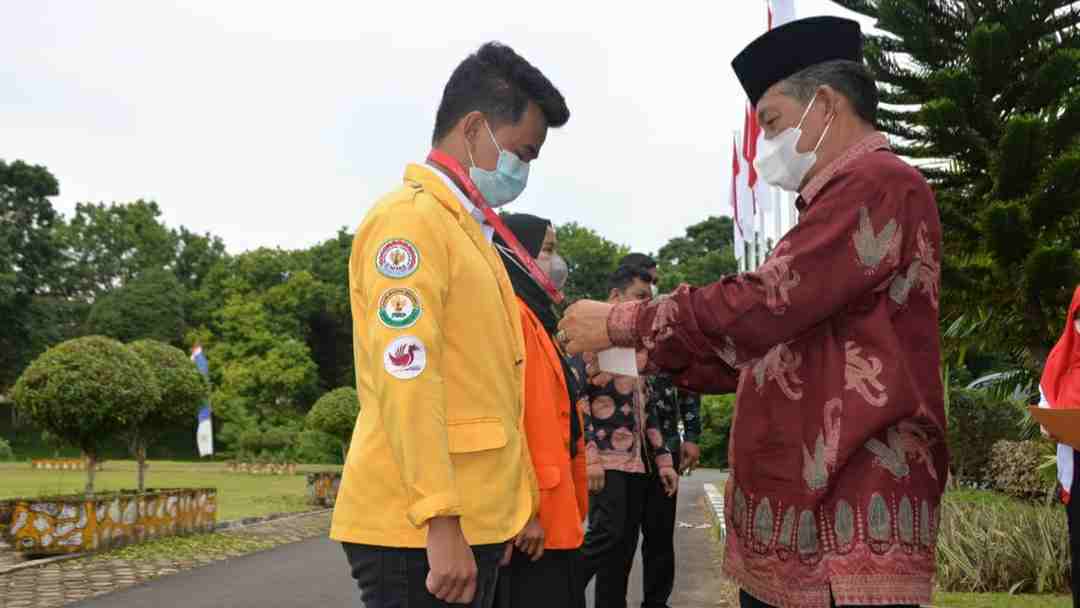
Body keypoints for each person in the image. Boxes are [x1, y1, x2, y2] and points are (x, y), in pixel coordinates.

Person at [558, 16, 947, 608]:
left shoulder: (877, 182)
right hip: (808, 519)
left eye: (771, 121)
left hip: (846, 511)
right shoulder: (835, 205)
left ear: (825, 105)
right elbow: (764, 352)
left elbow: (767, 303)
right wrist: (637, 352)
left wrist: (624, 322)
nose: (766, 144)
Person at [330, 42, 569, 608]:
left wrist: (510, 505)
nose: (524, 171)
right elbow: (407, 376)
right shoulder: (410, 224)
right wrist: (440, 518)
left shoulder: (467, 232)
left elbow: (490, 388)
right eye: (523, 153)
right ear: (475, 129)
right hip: (419, 529)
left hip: (472, 516)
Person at [492, 213, 588, 608]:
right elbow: (507, 421)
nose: (556, 261)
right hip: (532, 523)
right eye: (547, 249)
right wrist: (521, 512)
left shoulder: (536, 318)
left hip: (555, 513)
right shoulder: (510, 317)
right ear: (516, 255)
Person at [581, 265, 680, 608]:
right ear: (615, 296)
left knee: (622, 549)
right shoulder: (588, 340)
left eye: (648, 301)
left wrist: (664, 461)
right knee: (606, 537)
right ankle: (558, 589)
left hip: (638, 463)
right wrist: (590, 458)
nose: (643, 306)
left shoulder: (638, 349)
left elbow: (647, 410)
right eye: (639, 297)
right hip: (605, 462)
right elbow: (578, 402)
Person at [619, 252, 704, 608]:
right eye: (646, 282)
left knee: (659, 536)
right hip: (623, 452)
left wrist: (692, 437)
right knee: (619, 540)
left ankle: (656, 603)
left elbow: (689, 382)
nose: (652, 289)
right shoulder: (613, 331)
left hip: (666, 446)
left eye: (655, 282)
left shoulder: (666, 330)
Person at [1038, 286, 1080, 606]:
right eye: (1079, 317)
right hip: (1076, 467)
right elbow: (1046, 403)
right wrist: (1047, 424)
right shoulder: (1059, 358)